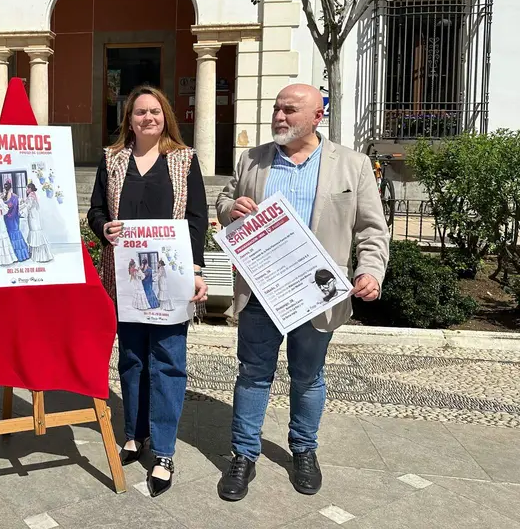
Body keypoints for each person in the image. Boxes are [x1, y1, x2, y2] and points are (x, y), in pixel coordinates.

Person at [215, 84, 389, 502]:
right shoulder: (252, 159)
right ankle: (243, 455)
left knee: (308, 377)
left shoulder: (353, 165)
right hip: (261, 289)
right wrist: (229, 208)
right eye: (276, 108)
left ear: (317, 116)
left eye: (289, 110)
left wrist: (371, 271)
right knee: (253, 374)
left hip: (317, 294)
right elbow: (224, 200)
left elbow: (371, 229)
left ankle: (304, 451)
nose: (278, 115)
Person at [87, 85, 209, 497]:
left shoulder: (183, 159)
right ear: (129, 119)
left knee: (169, 361)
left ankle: (164, 450)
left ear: (165, 116)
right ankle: (134, 435)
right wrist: (104, 228)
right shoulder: (113, 159)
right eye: (140, 113)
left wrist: (195, 269)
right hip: (125, 276)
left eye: (155, 111)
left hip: (171, 278)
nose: (147, 119)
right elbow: (96, 211)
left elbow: (196, 219)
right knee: (132, 358)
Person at [23, 181, 53, 262]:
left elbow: (28, 206)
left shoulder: (31, 196)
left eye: (27, 188)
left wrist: (22, 208)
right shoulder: (33, 195)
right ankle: (36, 253)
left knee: (35, 232)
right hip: (34, 215)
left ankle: (39, 255)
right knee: (35, 232)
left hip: (32, 216)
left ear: (30, 189)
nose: (26, 190)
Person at [2, 181, 30, 262]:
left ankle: (12, 256)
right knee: (16, 234)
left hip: (7, 218)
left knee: (10, 235)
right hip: (14, 219)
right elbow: (16, 209)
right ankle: (21, 255)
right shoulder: (15, 197)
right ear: (11, 188)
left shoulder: (3, 197)